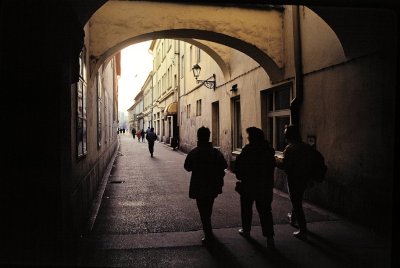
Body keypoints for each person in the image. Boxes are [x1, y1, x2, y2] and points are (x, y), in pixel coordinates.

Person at [184, 127, 228, 246]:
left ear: (198, 137)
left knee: (203, 211)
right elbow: (224, 165)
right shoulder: (215, 152)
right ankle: (208, 232)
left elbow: (187, 167)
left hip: (199, 186)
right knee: (208, 208)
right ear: (208, 136)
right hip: (212, 186)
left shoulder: (195, 152)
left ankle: (208, 235)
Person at [234, 127, 276, 249]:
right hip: (265, 186)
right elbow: (271, 167)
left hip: (249, 185)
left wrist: (241, 176)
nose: (247, 138)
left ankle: (246, 231)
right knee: (265, 211)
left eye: (249, 136)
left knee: (246, 208)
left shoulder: (247, 150)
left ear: (252, 138)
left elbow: (239, 169)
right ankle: (270, 238)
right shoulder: (269, 151)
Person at [275, 125, 310, 240]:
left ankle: (303, 229)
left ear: (289, 135)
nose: (284, 136)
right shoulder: (304, 146)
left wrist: (276, 160)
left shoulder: (290, 148)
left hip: (294, 178)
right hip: (304, 177)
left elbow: (285, 165)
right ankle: (293, 218)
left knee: (296, 202)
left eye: (285, 133)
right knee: (297, 198)